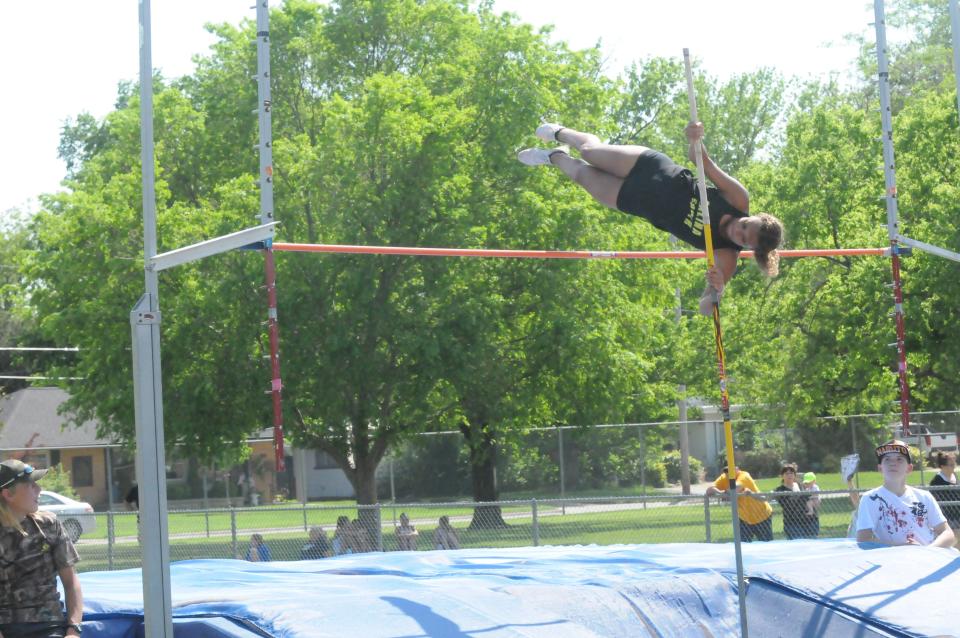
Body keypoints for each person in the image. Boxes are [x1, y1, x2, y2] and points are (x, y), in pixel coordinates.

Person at [517, 122, 784, 315]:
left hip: (638, 202)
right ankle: (558, 132)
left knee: (581, 175)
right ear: (752, 216)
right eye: (746, 224)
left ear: (749, 248)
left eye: (745, 238)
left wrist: (716, 293)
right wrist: (695, 137)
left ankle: (554, 156)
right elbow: (700, 159)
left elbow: (704, 307)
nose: (740, 230)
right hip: (651, 168)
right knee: (589, 152)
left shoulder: (726, 255)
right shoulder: (738, 199)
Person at [0, 459, 84, 638]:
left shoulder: (49, 525)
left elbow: (71, 583)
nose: (39, 490)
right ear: (8, 494)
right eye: (31, 485)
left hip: (50, 626)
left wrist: (73, 630)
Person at [856, 440, 955, 548]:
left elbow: (948, 534)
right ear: (880, 468)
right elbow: (863, 539)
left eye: (899, 459)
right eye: (887, 459)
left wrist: (927, 550)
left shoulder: (924, 497)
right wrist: (902, 548)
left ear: (909, 468)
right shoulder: (870, 499)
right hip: (892, 562)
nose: (893, 463)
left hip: (928, 561)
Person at [705, 458, 774, 542]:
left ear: (737, 468)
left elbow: (734, 489)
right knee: (743, 546)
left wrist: (722, 493)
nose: (728, 473)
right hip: (744, 518)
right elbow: (709, 490)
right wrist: (721, 492)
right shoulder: (723, 477)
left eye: (731, 470)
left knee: (766, 545)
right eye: (726, 471)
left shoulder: (744, 475)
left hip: (762, 515)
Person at [772, 463, 814, 540]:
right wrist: (752, 494)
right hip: (791, 524)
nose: (789, 475)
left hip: (806, 522)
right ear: (782, 476)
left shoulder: (801, 486)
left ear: (794, 475)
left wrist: (811, 510)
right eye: (787, 473)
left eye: (791, 473)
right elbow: (765, 498)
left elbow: (808, 499)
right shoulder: (779, 490)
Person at [929, 451, 960, 533]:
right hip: (947, 517)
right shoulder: (937, 481)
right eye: (951, 465)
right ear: (942, 466)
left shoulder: (954, 475)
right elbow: (934, 502)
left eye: (954, 464)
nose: (954, 466)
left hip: (958, 513)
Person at [801, 471, 821, 538]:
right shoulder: (807, 488)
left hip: (815, 500)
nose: (808, 483)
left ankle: (811, 511)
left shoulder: (815, 487)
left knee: (809, 502)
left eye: (809, 482)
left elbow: (815, 494)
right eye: (807, 483)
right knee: (808, 502)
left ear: (814, 481)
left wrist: (809, 496)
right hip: (811, 500)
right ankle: (810, 510)